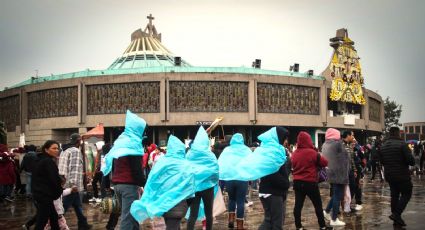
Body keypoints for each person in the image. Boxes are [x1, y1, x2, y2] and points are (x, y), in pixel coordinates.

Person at [291, 131, 331, 230]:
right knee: (317, 205)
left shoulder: (294, 153)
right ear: (308, 140)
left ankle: (298, 227)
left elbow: (292, 165)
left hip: (297, 182)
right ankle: (322, 226)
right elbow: (325, 163)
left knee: (298, 205)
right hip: (310, 183)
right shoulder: (313, 153)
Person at [379, 127, 415, 227]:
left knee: (394, 196)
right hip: (402, 174)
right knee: (407, 193)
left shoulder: (383, 146)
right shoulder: (402, 144)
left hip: (389, 175)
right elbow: (411, 161)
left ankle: (396, 220)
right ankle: (396, 214)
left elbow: (382, 161)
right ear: (397, 133)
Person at [186, 126, 219, 230]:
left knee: (193, 214)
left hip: (194, 188)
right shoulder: (210, 155)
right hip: (207, 187)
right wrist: (213, 182)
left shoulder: (190, 154)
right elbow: (216, 171)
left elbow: (186, 169)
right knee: (209, 213)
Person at [218, 133, 252, 229]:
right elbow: (251, 162)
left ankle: (231, 220)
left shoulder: (227, 150)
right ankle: (240, 225)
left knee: (231, 199)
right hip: (242, 179)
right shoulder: (247, 150)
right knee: (240, 202)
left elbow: (220, 163)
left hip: (230, 179)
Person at [258, 127, 289, 230]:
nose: (286, 141)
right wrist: (285, 183)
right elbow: (271, 173)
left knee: (270, 221)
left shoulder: (271, 150)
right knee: (275, 224)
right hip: (273, 193)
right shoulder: (273, 152)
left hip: (270, 191)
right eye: (284, 139)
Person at [58, 133, 92, 230]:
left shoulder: (65, 150)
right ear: (78, 141)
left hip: (65, 182)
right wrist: (73, 185)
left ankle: (83, 224)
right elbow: (74, 169)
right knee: (62, 208)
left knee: (78, 206)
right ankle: (50, 222)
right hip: (71, 185)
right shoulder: (75, 151)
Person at [32, 140, 63, 230]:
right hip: (44, 195)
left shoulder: (39, 159)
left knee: (53, 217)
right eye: (54, 148)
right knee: (42, 221)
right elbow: (54, 179)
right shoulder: (48, 162)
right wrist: (59, 190)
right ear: (46, 150)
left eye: (57, 148)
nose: (57, 150)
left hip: (40, 194)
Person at [322, 128, 350, 227]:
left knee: (335, 195)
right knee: (338, 196)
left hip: (330, 172)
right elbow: (345, 158)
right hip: (339, 173)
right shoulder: (337, 144)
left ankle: (326, 211)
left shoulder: (325, 144)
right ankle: (334, 219)